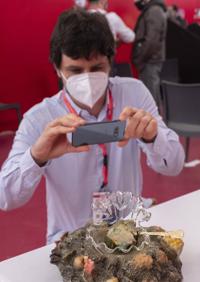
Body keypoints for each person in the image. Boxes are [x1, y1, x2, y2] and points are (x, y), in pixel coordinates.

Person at [0, 9, 184, 244]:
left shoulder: (133, 94)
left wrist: (152, 137)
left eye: (97, 68)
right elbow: (5, 198)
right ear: (57, 69)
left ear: (110, 64)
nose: (86, 78)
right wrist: (36, 157)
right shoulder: (39, 118)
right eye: (75, 71)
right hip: (70, 242)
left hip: (129, 236)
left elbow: (175, 166)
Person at [132, 0, 167, 106]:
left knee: (151, 97)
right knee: (150, 95)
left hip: (149, 60)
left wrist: (140, 60)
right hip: (149, 60)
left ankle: (154, 121)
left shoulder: (154, 11)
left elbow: (152, 40)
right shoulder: (152, 10)